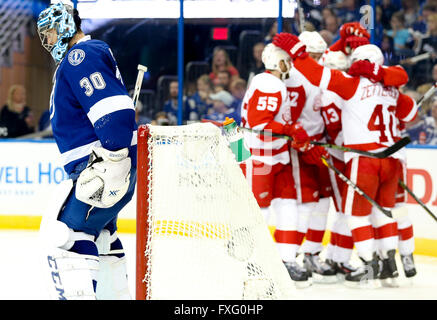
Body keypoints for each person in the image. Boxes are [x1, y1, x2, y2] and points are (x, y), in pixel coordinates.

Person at [273, 33, 417, 286]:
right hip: (392, 158)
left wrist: (298, 52)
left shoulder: (350, 84)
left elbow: (317, 74)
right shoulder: (392, 89)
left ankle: (370, 264)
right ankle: (390, 263)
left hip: (364, 159)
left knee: (356, 215)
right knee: (386, 212)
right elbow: (411, 111)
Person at [37, 2, 137, 300]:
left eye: (51, 33)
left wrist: (115, 159)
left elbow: (115, 113)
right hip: (104, 168)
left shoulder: (80, 56)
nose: (48, 41)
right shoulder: (82, 56)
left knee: (67, 237)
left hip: (103, 167)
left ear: (66, 26)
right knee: (102, 236)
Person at [240, 43, 318, 288]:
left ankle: (286, 260)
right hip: (260, 157)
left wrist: (291, 133)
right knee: (258, 212)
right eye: (286, 61)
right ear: (276, 62)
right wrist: (290, 130)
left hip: (278, 156)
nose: (290, 65)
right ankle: (251, 262)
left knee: (289, 206)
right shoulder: (268, 84)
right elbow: (259, 124)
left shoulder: (274, 83)